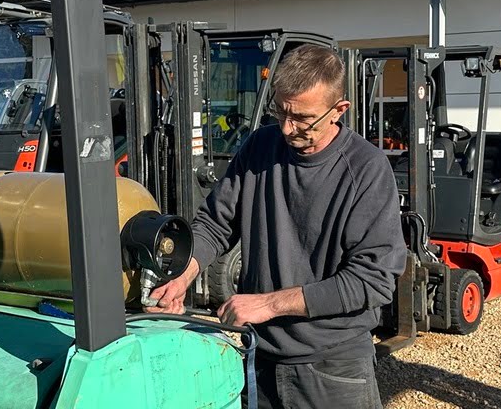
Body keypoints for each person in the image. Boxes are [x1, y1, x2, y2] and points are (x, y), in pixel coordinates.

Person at [147, 44, 406, 409]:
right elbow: (215, 224)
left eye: (301, 118)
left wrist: (268, 304)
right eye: (279, 111)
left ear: (339, 111)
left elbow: (372, 281)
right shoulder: (260, 146)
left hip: (333, 365)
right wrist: (182, 276)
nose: (286, 128)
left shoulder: (366, 169)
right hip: (261, 355)